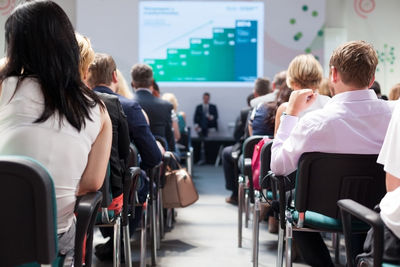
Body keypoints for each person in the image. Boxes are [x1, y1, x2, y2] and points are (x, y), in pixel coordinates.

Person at [0, 0, 112, 256]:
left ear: (14, 46)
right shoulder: (98, 109)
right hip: (50, 240)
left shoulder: (4, 86)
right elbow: (93, 183)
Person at [270, 40, 394, 267]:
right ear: (372, 76)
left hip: (322, 210)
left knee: (288, 200)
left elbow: (278, 166)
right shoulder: (395, 115)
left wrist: (291, 114)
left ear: (333, 74)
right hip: (379, 212)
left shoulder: (313, 122)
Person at [274, 54, 330, 135]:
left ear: (292, 81)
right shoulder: (330, 103)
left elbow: (278, 145)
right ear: (319, 77)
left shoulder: (285, 109)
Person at [131, 64, 176, 152]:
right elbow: (170, 139)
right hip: (160, 159)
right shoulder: (166, 105)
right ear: (152, 82)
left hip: (134, 160)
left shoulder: (126, 105)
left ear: (132, 84)